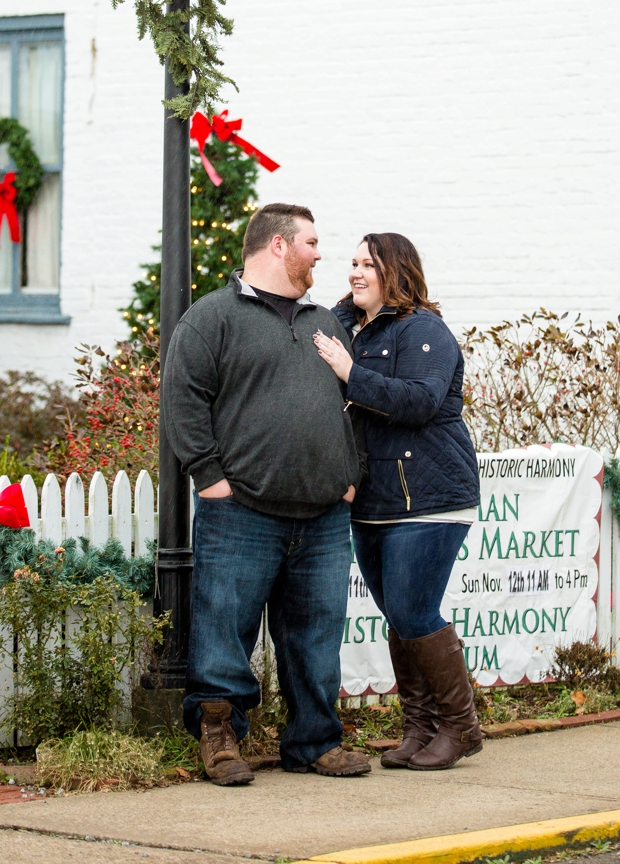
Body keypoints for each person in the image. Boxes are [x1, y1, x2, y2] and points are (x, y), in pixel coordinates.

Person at [162, 202, 371, 784]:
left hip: (325, 515)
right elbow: (183, 401)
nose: (319, 253)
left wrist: (349, 475)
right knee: (224, 632)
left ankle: (313, 743)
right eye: (310, 242)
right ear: (278, 246)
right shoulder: (211, 319)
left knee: (317, 638)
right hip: (242, 513)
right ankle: (221, 740)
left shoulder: (324, 324)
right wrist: (210, 478)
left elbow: (349, 404)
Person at [310, 233, 483, 770]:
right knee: (398, 616)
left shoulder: (423, 330)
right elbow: (317, 326)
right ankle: (418, 729)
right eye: (353, 263)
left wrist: (349, 373)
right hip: (376, 501)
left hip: (429, 497)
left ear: (397, 271)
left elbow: (420, 400)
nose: (355, 272)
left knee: (413, 610)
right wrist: (351, 311)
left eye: (369, 264)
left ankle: (460, 727)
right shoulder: (360, 329)